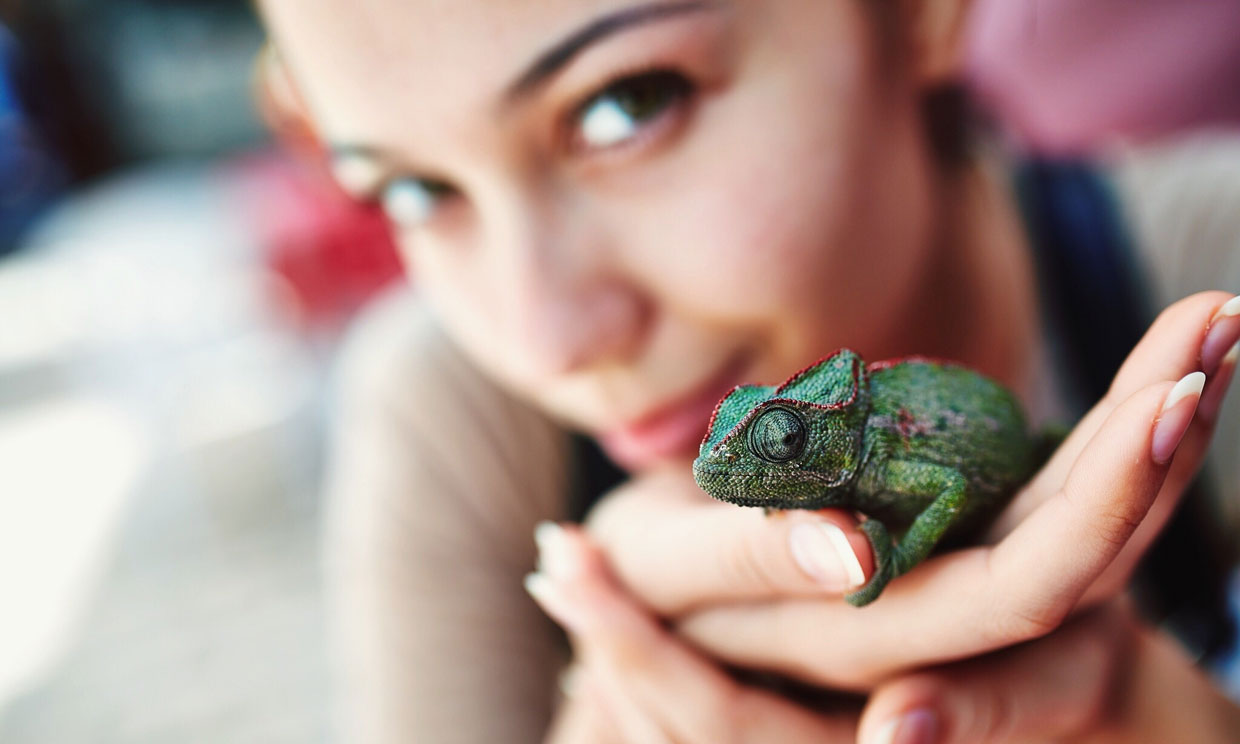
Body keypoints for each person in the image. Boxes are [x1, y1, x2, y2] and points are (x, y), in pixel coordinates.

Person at [254, 1, 1240, 741]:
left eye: (623, 106)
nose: (548, 340)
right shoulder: (448, 422)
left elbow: (935, 484)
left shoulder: (1212, 268)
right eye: (412, 189)